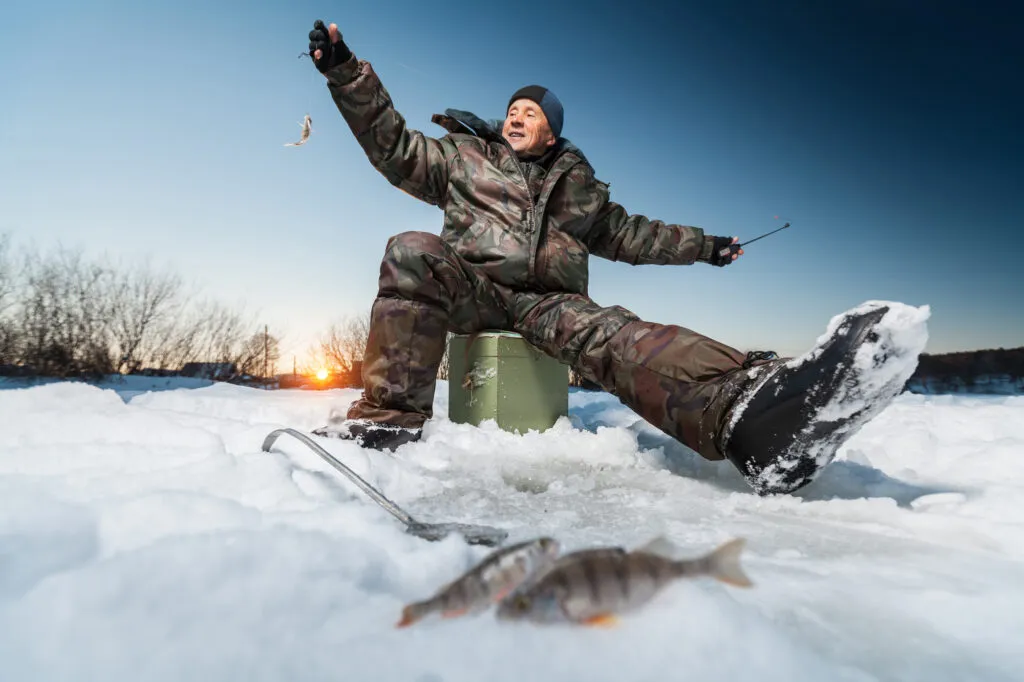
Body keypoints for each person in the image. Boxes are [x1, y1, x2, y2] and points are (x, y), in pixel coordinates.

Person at [303, 20, 889, 495]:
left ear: (551, 133)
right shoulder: (463, 158)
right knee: (411, 249)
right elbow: (394, 146)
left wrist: (708, 247)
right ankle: (389, 419)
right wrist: (347, 76)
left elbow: (638, 235)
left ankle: (747, 412)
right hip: (471, 287)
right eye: (513, 108)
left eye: (531, 112)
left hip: (549, 304)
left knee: (615, 335)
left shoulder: (578, 189)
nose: (517, 115)